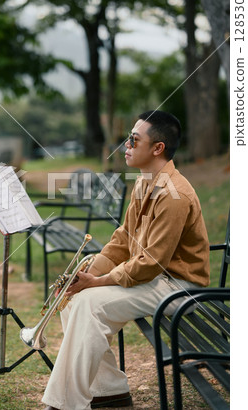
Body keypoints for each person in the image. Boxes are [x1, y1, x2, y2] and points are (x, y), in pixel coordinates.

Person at [42, 111, 210, 410]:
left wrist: (97, 283)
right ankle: (110, 394)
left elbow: (150, 264)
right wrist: (84, 277)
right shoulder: (145, 182)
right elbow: (123, 240)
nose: (126, 146)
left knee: (89, 303)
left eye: (134, 140)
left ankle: (64, 404)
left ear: (157, 148)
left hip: (178, 286)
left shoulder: (174, 195)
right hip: (156, 279)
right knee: (73, 300)